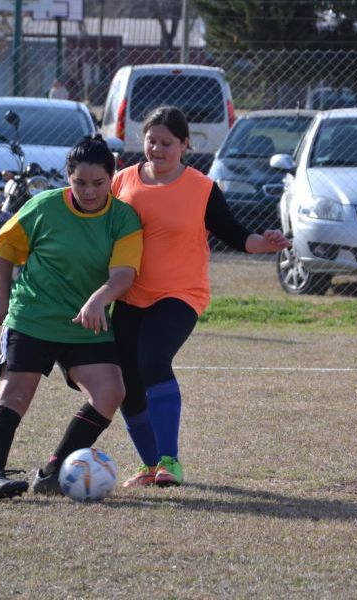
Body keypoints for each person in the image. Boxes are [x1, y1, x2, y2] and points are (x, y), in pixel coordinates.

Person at [110, 105, 290, 488]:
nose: (157, 149)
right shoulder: (122, 181)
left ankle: (170, 461)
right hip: (129, 295)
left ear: (185, 144)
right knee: (125, 377)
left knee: (153, 358)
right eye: (151, 141)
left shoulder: (201, 188)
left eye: (167, 143)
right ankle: (149, 464)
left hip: (180, 294)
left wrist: (266, 243)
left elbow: (236, 234)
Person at [0, 136, 144, 500]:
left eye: (98, 183)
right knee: (16, 395)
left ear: (111, 179)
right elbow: (4, 246)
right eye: (80, 182)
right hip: (33, 316)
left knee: (111, 392)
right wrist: (1, 296)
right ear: (68, 176)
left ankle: (54, 472)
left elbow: (123, 275)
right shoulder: (44, 207)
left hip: (85, 322)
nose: (88, 190)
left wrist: (99, 299)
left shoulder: (123, 218)